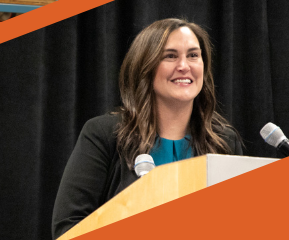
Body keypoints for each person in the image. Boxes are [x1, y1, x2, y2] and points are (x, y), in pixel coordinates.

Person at [52, 17, 243, 238]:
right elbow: (68, 228)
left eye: (193, 55)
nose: (184, 66)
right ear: (145, 67)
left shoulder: (225, 141)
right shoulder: (104, 134)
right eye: (170, 56)